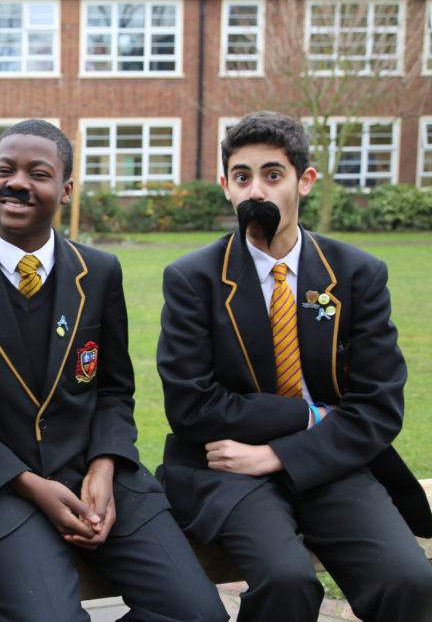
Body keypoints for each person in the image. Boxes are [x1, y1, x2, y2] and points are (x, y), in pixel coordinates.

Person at [0, 119, 227, 622]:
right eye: (3, 170)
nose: (16, 182)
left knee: (198, 613)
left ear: (67, 189)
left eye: (38, 173)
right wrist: (30, 483)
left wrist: (104, 466)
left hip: (97, 478)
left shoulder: (99, 271)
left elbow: (116, 390)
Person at [156, 111, 432, 621]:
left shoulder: (356, 275)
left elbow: (377, 405)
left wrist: (280, 454)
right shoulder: (193, 278)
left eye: (272, 175)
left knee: (409, 579)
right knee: (287, 581)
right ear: (225, 187)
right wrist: (312, 416)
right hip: (227, 468)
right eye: (242, 177)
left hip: (331, 462)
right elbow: (192, 405)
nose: (255, 190)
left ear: (303, 182)